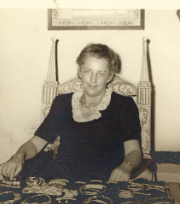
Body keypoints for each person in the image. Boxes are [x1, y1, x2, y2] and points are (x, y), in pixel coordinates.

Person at [0, 43, 143, 183]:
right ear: (80, 71)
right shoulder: (62, 102)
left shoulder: (123, 105)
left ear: (110, 76)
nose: (93, 80)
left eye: (100, 73)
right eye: (88, 71)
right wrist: (17, 157)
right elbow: (36, 143)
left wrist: (125, 168)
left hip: (105, 181)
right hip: (60, 179)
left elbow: (133, 151)